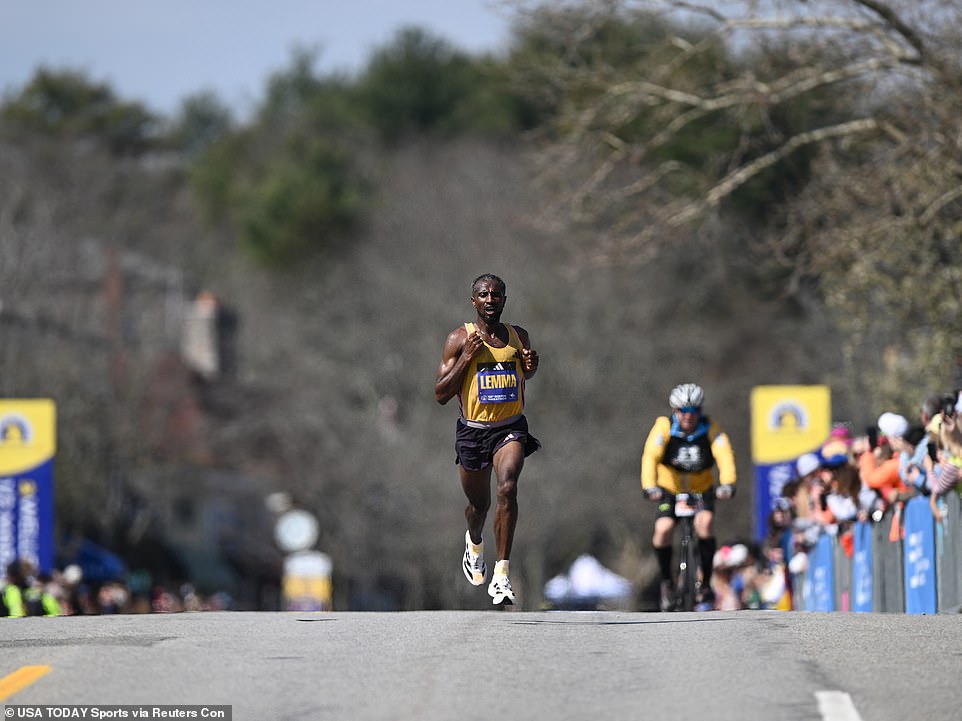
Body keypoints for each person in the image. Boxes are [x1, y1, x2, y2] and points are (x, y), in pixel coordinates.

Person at [434, 273, 541, 606]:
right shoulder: (458, 338)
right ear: (474, 301)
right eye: (484, 294)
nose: (490, 299)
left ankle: (502, 574)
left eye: (496, 295)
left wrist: (530, 366)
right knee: (479, 506)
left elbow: (525, 373)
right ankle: (475, 542)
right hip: (472, 432)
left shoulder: (517, 336)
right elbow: (440, 393)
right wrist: (467, 358)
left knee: (507, 486)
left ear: (504, 300)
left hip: (509, 427)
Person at [640, 383, 736, 611]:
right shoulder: (663, 427)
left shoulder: (711, 428)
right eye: (683, 411)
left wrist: (728, 484)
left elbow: (725, 455)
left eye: (693, 411)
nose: (688, 416)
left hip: (702, 489)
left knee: (705, 523)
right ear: (674, 411)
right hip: (669, 489)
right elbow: (650, 457)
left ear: (700, 412)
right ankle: (666, 582)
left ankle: (704, 583)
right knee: (663, 529)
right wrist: (649, 486)